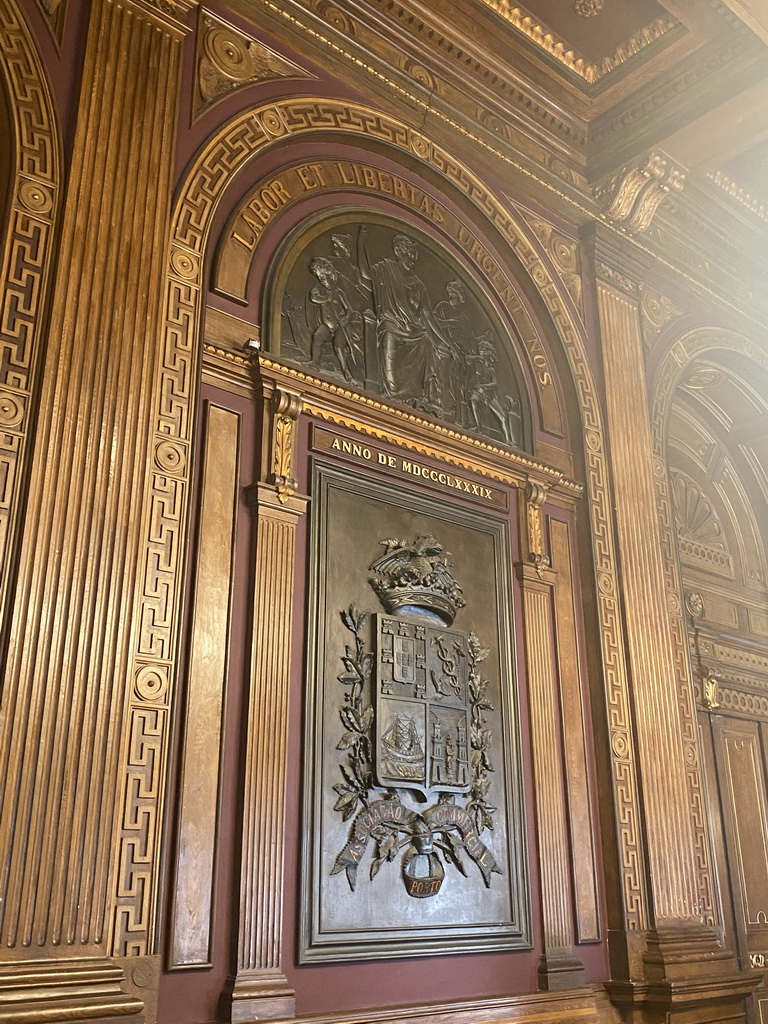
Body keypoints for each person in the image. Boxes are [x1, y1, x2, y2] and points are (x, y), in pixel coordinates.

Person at [358, 228, 454, 412]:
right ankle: (393, 396)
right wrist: (361, 244)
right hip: (391, 325)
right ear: (398, 251)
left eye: (414, 256)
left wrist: (447, 341)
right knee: (389, 334)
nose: (411, 259)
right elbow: (364, 276)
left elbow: (428, 315)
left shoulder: (419, 285)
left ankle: (427, 396)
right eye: (408, 254)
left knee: (426, 340)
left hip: (413, 331)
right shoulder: (385, 270)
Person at [308, 256, 361, 381]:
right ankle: (314, 362)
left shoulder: (339, 292)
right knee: (317, 337)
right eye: (319, 278)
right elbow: (314, 298)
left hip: (339, 325)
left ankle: (345, 369)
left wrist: (346, 319)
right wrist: (326, 297)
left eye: (323, 277)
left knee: (338, 346)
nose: (321, 280)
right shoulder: (319, 290)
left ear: (330, 275)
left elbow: (349, 309)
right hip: (327, 325)